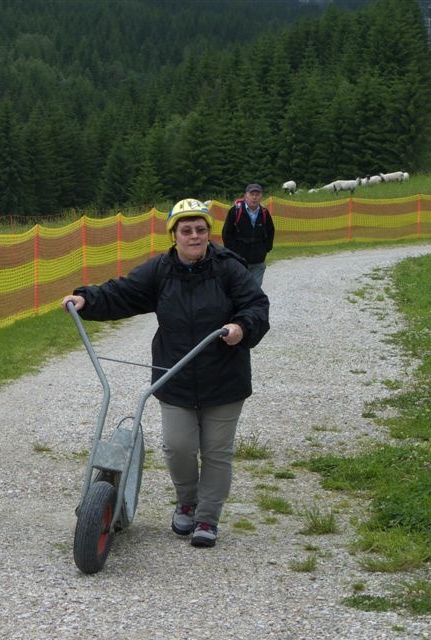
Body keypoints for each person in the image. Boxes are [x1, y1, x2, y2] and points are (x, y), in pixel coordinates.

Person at [62, 198, 269, 548]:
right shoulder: (161, 270)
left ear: (209, 233)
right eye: (186, 230)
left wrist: (241, 327)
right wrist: (87, 299)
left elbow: (256, 305)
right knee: (178, 447)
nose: (194, 236)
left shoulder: (229, 268)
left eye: (200, 229)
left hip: (224, 377)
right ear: (174, 235)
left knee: (216, 452)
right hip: (174, 376)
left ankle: (207, 517)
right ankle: (186, 502)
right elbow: (123, 292)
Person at [221, 183, 275, 287]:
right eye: (252, 194)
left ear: (261, 197)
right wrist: (233, 252)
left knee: (255, 289)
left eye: (257, 194)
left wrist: (266, 248)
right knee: (240, 288)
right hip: (239, 260)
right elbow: (227, 233)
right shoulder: (235, 211)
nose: (254, 197)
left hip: (258, 260)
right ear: (245, 196)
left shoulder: (264, 212)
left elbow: (270, 231)